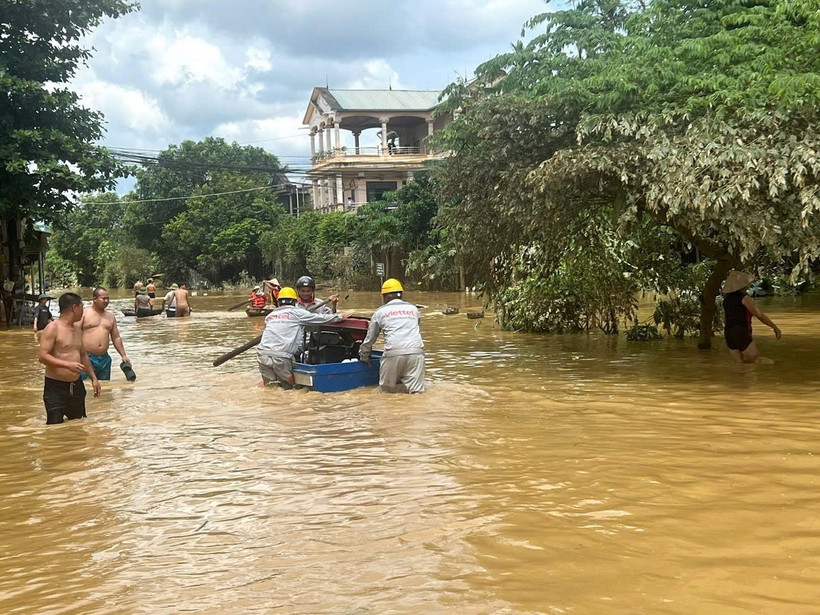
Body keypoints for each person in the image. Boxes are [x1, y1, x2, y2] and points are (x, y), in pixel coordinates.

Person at [257, 286, 351, 388]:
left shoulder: (270, 316)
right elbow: (319, 319)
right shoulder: (297, 312)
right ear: (294, 302)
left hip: (262, 355)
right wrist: (339, 317)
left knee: (271, 387)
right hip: (281, 356)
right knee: (287, 389)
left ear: (279, 302)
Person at [38, 292, 100, 424]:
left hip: (76, 386)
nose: (83, 311)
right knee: (54, 429)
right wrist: (68, 365)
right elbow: (42, 356)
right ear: (74, 307)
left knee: (78, 426)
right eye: (82, 307)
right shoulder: (52, 328)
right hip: (55, 387)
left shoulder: (77, 329)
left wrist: (94, 378)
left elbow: (83, 355)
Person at [359, 278, 425, 393]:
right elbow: (416, 329)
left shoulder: (380, 312)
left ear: (385, 296)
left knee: (386, 393)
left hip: (393, 352)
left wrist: (364, 356)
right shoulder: (414, 309)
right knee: (417, 393)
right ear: (401, 295)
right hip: (416, 351)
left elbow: (370, 339)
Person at [722, 270, 782, 364]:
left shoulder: (726, 300)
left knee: (739, 364)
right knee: (754, 361)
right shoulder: (744, 298)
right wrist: (775, 327)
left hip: (728, 333)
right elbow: (759, 315)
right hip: (741, 331)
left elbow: (725, 319)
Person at [80, 286, 132, 380]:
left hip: (104, 359)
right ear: (95, 299)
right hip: (87, 357)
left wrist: (123, 355)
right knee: (87, 387)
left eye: (108, 298)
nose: (106, 301)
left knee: (104, 389)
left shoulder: (110, 317)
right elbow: (74, 334)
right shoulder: (84, 314)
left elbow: (116, 337)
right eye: (103, 298)